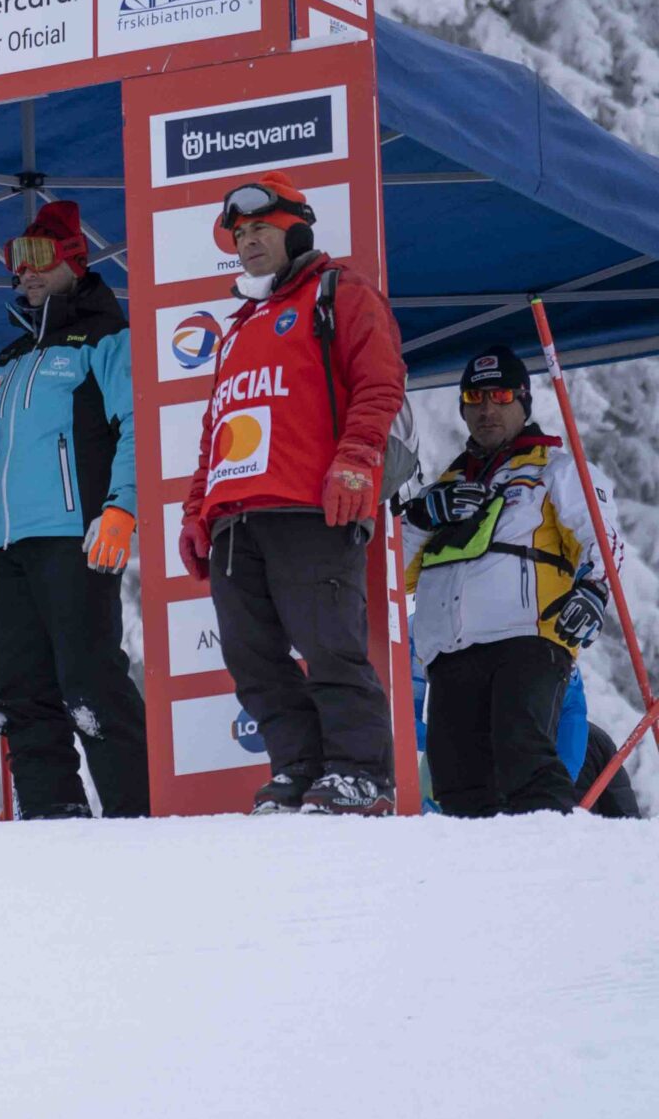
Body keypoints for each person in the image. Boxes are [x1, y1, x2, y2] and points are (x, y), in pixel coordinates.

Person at [178, 173, 407, 814]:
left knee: (330, 647)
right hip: (235, 521)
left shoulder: (340, 292)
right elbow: (216, 427)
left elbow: (380, 383)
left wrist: (356, 459)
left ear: (296, 230)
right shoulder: (236, 326)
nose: (247, 241)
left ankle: (361, 773)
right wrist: (197, 511)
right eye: (239, 234)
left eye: (261, 228)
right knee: (252, 659)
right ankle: (299, 769)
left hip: (310, 507)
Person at [0, 201, 149, 818]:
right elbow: (4, 459)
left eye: (39, 256)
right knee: (13, 694)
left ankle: (139, 818)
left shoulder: (106, 339)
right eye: (17, 260)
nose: (25, 271)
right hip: (9, 548)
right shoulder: (11, 358)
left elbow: (136, 427)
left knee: (90, 683)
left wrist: (122, 508)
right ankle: (53, 820)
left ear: (75, 259)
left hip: (77, 536)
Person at [402, 345, 610, 816]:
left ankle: (551, 852)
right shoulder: (443, 489)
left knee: (525, 761)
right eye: (474, 397)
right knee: (457, 789)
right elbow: (391, 579)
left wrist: (594, 590)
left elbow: (602, 537)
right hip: (449, 654)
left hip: (526, 640)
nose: (486, 409)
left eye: (499, 395)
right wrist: (419, 516)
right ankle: (483, 866)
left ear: (524, 401)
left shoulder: (555, 469)